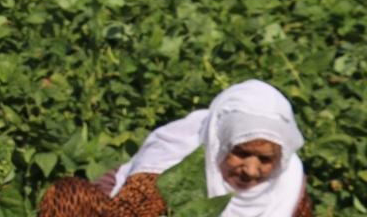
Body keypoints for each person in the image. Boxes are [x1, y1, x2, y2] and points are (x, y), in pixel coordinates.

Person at [37, 80, 311, 217]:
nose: (251, 170)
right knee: (67, 196)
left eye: (265, 159)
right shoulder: (172, 165)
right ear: (219, 144)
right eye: (240, 153)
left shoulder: (288, 183)